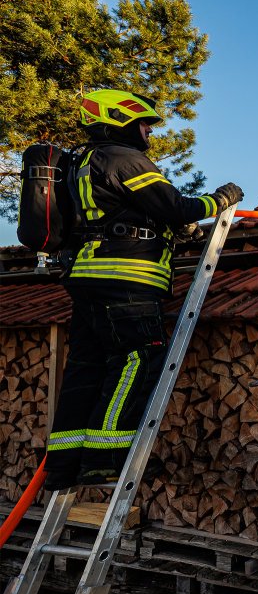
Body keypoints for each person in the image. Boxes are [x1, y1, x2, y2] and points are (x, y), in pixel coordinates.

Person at [44, 89, 244, 491]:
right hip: (126, 279)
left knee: (86, 367)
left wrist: (171, 228)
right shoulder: (124, 158)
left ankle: (63, 466)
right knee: (137, 358)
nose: (149, 131)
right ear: (119, 119)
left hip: (88, 276)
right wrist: (222, 198)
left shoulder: (82, 162)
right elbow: (180, 207)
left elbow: (123, 212)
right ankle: (106, 459)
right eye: (144, 123)